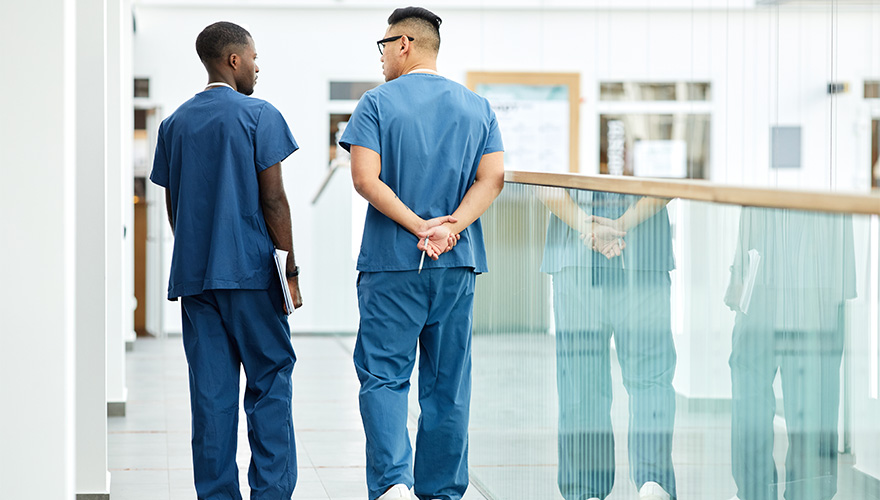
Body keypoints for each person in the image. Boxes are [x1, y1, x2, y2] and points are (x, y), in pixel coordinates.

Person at [338, 7, 505, 500]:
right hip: (456, 264)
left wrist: (419, 227)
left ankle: (393, 486)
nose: (382, 57)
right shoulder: (478, 107)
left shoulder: (376, 103)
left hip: (393, 263)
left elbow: (365, 178)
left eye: (384, 46)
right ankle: (442, 493)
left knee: (384, 376)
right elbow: (492, 178)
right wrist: (451, 227)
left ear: (405, 44)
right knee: (448, 385)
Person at [149, 21, 303, 500]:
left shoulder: (174, 124)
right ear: (234, 60)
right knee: (270, 382)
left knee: (211, 397)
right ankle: (272, 494)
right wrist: (290, 271)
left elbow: (176, 206)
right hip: (254, 275)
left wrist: (202, 253)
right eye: (254, 57)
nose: (258, 66)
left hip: (197, 281)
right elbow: (274, 201)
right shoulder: (259, 114)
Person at [539, 188, 678, 500]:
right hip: (641, 254)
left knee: (581, 379)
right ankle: (653, 482)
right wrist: (622, 223)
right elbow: (668, 178)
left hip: (579, 256)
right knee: (649, 377)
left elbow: (544, 180)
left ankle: (586, 489)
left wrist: (587, 227)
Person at [725, 207, 856, 500]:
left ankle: (808, 493)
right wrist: (738, 274)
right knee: (749, 389)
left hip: (818, 276)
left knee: (814, 398)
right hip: (762, 272)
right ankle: (754, 492)